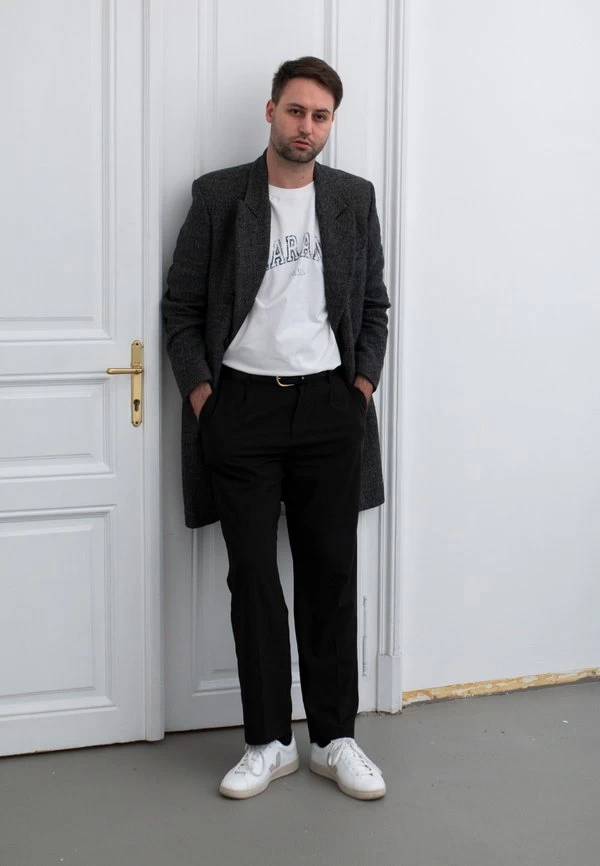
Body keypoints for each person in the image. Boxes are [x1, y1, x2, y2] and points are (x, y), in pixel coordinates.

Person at [163, 56, 390, 801]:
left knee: (331, 574)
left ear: (331, 123)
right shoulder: (220, 196)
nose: (307, 127)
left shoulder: (353, 198)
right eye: (296, 111)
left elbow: (375, 306)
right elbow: (181, 309)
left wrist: (360, 389)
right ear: (271, 111)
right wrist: (206, 400)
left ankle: (334, 738)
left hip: (329, 407)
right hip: (242, 410)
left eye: (321, 116)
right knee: (254, 577)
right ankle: (267, 742)